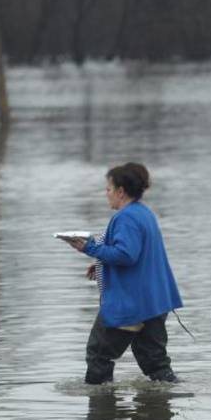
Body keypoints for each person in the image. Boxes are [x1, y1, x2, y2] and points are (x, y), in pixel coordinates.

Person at [63, 163, 183, 384]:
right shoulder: (144, 213)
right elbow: (139, 255)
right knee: (156, 365)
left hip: (130, 304)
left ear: (120, 191)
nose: (106, 194)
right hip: (154, 303)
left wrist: (87, 248)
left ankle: (104, 414)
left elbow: (126, 255)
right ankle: (163, 411)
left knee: (98, 356)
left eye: (108, 189)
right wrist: (102, 262)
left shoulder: (125, 217)